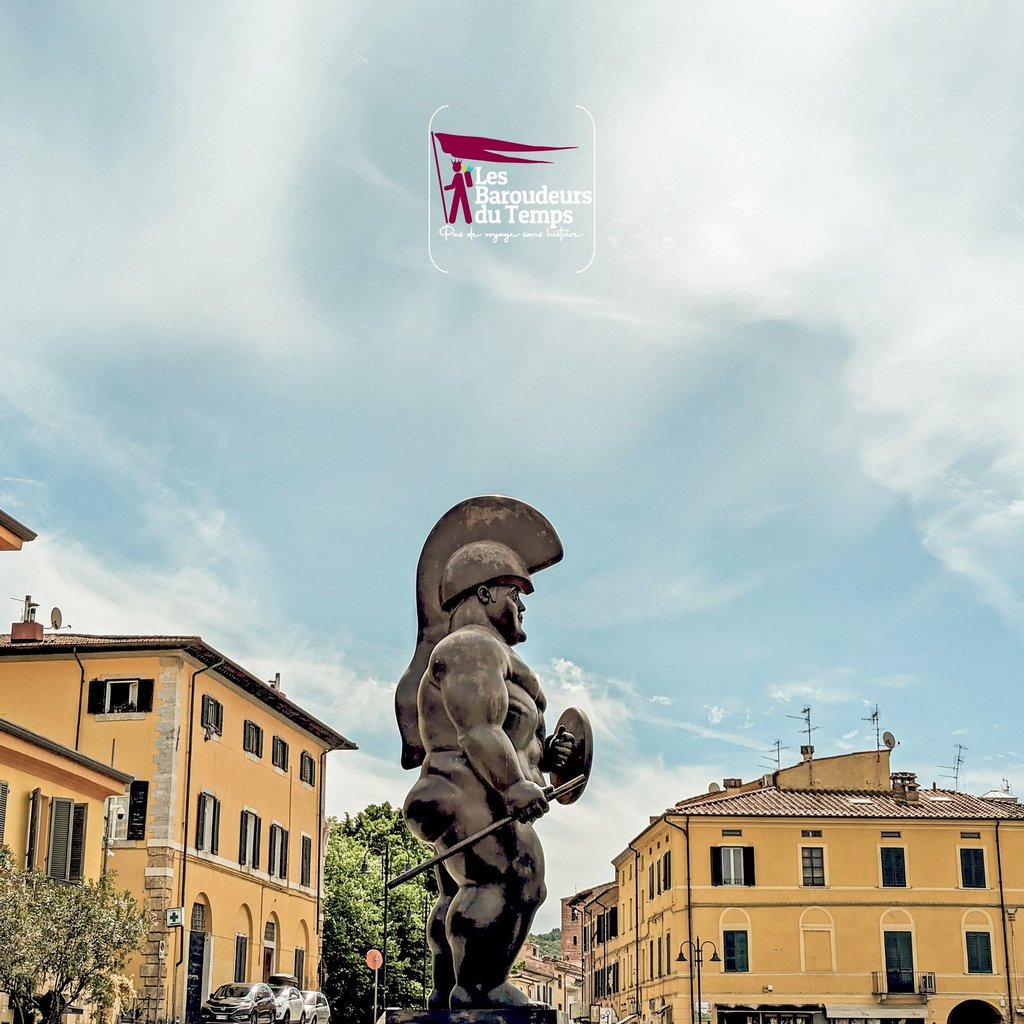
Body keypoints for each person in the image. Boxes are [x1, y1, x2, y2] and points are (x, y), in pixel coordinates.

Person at [402, 539, 575, 1010]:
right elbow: (476, 727)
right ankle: (479, 988)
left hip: (470, 789)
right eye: (514, 594)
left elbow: (517, 741)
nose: (521, 606)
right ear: (484, 593)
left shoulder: (491, 655)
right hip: (466, 786)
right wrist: (516, 784)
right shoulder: (470, 647)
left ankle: (446, 989)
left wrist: (549, 758)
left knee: (463, 887)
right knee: (514, 877)